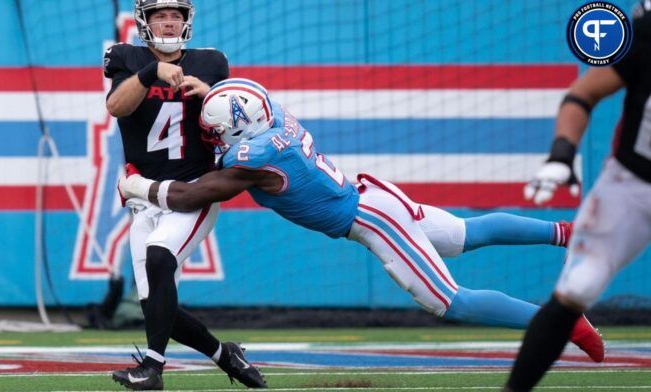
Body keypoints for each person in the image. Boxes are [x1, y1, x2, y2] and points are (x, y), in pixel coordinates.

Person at [120, 78, 605, 364]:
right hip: (373, 195)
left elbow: (187, 195)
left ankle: (563, 324)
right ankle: (565, 231)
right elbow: (241, 100)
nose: (211, 135)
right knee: (464, 233)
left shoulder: (254, 157)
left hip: (370, 219)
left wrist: (137, 185)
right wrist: (216, 92)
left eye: (215, 127)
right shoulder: (270, 114)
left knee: (448, 301)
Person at [103, 0, 266, 390]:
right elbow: (115, 106)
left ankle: (153, 369)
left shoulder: (211, 63)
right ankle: (225, 355)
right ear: (145, 21)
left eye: (176, 15)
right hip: (146, 195)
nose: (170, 22)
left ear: (187, 21)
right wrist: (148, 74)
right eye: (161, 15)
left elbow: (236, 122)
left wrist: (210, 93)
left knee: (160, 258)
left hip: (193, 192)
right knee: (158, 308)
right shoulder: (127, 57)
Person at [504, 2, 651, 390]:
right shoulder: (646, 33)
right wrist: (562, 154)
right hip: (633, 185)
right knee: (578, 287)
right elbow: (584, 93)